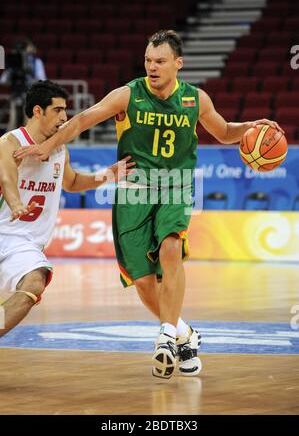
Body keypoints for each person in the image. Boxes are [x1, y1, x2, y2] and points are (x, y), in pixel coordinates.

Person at [14, 30, 283, 379]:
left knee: (172, 247)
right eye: (148, 61)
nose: (152, 67)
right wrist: (48, 146)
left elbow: (224, 132)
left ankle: (166, 337)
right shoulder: (127, 95)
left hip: (174, 187)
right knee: (142, 281)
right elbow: (81, 120)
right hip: (133, 192)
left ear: (178, 64)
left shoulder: (195, 99)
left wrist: (249, 127)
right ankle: (184, 332)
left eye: (159, 61)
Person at [0, 80, 134, 337]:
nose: (65, 117)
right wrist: (16, 204)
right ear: (37, 111)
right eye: (58, 110)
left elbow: (71, 182)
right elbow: (6, 179)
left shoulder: (60, 149)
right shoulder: (10, 142)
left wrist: (108, 175)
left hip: (23, 245)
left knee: (35, 283)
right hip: (3, 230)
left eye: (66, 110)